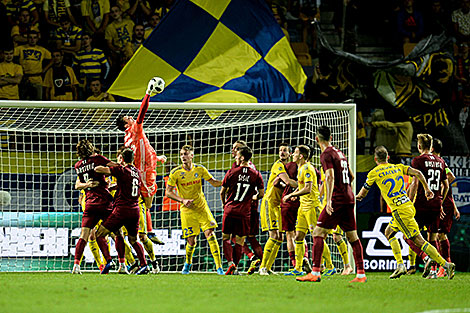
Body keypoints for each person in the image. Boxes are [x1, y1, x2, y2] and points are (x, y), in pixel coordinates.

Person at [356, 146, 456, 280]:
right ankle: (400, 265)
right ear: (388, 158)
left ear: (375, 159)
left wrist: (355, 197)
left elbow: (362, 194)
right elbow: (419, 174)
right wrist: (427, 189)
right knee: (388, 232)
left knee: (419, 241)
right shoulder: (398, 167)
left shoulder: (374, 172)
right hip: (408, 205)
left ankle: (445, 264)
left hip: (399, 211)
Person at [297, 126, 365, 283]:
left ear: (316, 139)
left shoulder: (326, 154)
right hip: (349, 197)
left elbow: (329, 177)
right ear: (331, 137)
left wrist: (328, 200)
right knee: (352, 236)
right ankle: (360, 274)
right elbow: (352, 176)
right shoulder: (340, 153)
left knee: (318, 233)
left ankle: (315, 272)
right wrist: (345, 188)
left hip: (337, 199)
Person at [115, 78, 166, 246]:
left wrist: (157, 158)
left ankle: (147, 231)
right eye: (128, 117)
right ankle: (146, 231)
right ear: (125, 124)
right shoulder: (135, 130)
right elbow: (142, 112)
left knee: (141, 202)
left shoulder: (126, 139)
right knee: (147, 203)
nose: (131, 117)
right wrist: (148, 93)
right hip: (145, 173)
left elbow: (140, 152)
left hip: (141, 170)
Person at [165, 144, 224, 275]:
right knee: (191, 241)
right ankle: (187, 263)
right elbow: (168, 192)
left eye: (185, 154)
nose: (183, 157)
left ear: (192, 155)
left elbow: (213, 182)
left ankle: (219, 267)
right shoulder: (175, 173)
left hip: (201, 207)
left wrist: (227, 181)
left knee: (210, 233)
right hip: (187, 210)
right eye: (181, 155)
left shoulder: (200, 169)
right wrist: (183, 200)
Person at [95, 147, 150, 275]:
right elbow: (126, 184)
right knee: (133, 240)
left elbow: (100, 170)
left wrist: (98, 163)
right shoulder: (136, 172)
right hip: (134, 210)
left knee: (100, 234)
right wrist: (114, 186)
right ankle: (144, 265)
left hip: (121, 210)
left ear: (123, 159)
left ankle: (109, 261)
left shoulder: (121, 169)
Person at [72, 139, 116, 274]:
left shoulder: (78, 166)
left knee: (84, 236)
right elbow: (116, 167)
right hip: (104, 202)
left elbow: (80, 183)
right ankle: (121, 263)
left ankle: (76, 266)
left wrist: (87, 185)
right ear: (91, 148)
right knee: (117, 233)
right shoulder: (98, 159)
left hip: (89, 203)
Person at [408, 134, 449, 278]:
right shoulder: (441, 161)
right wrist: (441, 202)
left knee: (409, 235)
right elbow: (446, 185)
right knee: (432, 238)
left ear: (419, 146)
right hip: (436, 205)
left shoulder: (418, 161)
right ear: (431, 146)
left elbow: (415, 183)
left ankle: (426, 257)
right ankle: (433, 271)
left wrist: (409, 202)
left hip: (421, 204)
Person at [220, 146, 264, 275]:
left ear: (243, 157)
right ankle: (236, 268)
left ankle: (230, 263)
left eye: (238, 155)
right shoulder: (256, 174)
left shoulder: (232, 172)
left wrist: (224, 204)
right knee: (240, 241)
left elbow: (222, 192)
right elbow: (261, 193)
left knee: (225, 237)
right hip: (244, 213)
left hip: (230, 209)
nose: (236, 157)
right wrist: (252, 197)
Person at [283, 145, 325, 277]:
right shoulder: (300, 168)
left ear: (301, 156)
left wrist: (290, 195)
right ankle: (298, 267)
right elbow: (302, 187)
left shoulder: (307, 168)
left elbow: (307, 188)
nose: (292, 155)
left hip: (311, 207)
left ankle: (327, 266)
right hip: (303, 206)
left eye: (295, 153)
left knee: (317, 236)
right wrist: (295, 193)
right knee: (298, 236)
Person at [258, 143, 296, 275]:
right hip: (270, 202)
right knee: (274, 235)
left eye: (285, 150)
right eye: (280, 150)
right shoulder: (278, 165)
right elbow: (287, 182)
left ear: (290, 154)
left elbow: (282, 184)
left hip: (278, 204)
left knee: (280, 237)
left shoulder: (289, 168)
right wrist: (305, 185)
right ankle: (262, 267)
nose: (282, 152)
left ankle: (268, 267)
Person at [433, 139, 461, 277]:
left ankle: (445, 265)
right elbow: (448, 189)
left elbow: (451, 177)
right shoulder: (437, 163)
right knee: (437, 235)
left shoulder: (439, 163)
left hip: (444, 204)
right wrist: (455, 207)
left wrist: (441, 188)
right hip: (446, 203)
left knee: (440, 234)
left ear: (432, 148)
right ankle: (443, 265)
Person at [14, 30, 52, 100]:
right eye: (30, 37)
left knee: (38, 103)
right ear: (27, 39)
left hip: (37, 78)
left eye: (34, 38)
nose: (32, 40)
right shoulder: (20, 48)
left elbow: (53, 58)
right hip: (24, 78)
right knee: (23, 103)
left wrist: (45, 69)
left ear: (37, 39)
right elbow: (7, 54)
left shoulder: (42, 50)